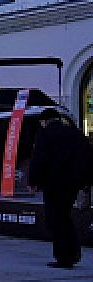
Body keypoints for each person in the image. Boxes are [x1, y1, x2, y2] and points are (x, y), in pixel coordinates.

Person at [28, 114, 92, 269]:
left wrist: (33, 181)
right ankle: (72, 252)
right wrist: (86, 182)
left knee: (55, 219)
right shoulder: (75, 133)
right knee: (64, 215)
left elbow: (39, 159)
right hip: (72, 183)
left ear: (44, 121)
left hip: (53, 183)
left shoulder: (45, 134)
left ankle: (64, 256)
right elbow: (87, 157)